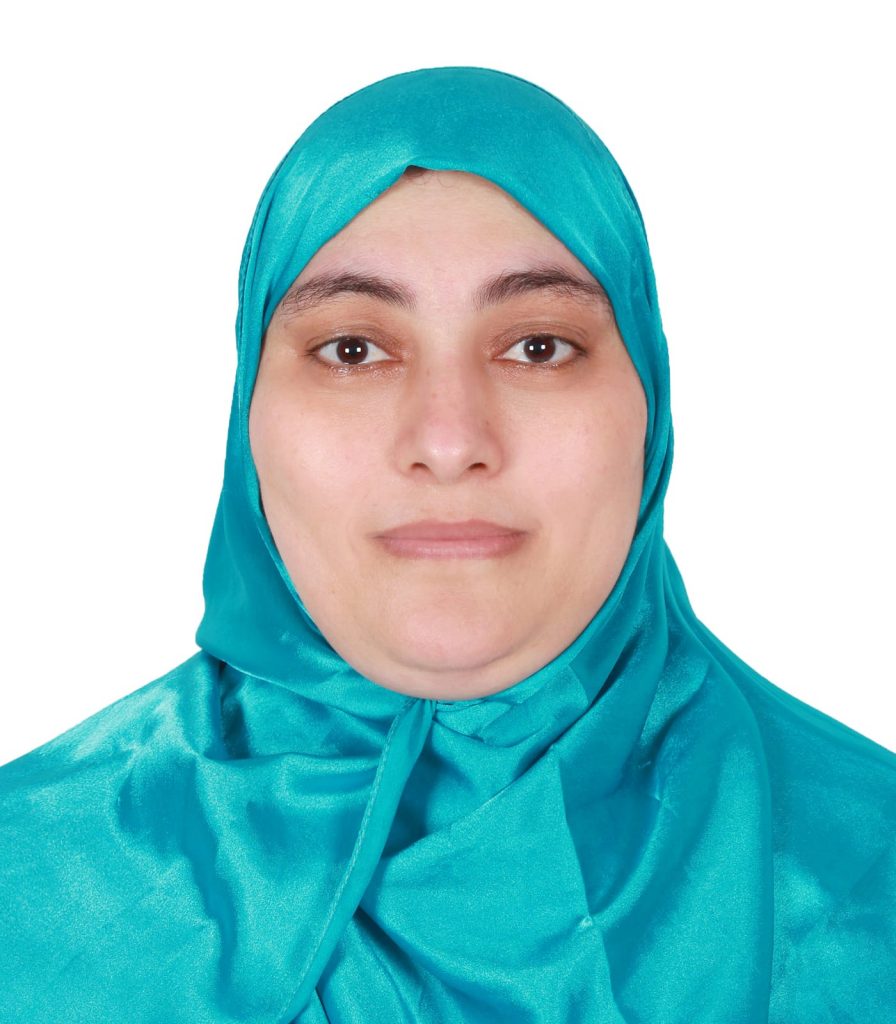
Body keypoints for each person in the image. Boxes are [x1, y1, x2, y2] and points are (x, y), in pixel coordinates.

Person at [1, 65, 893, 1023]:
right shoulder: (29, 887)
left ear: (650, 410)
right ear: (247, 420)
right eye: (353, 349)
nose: (448, 439)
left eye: (538, 347)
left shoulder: (868, 888)